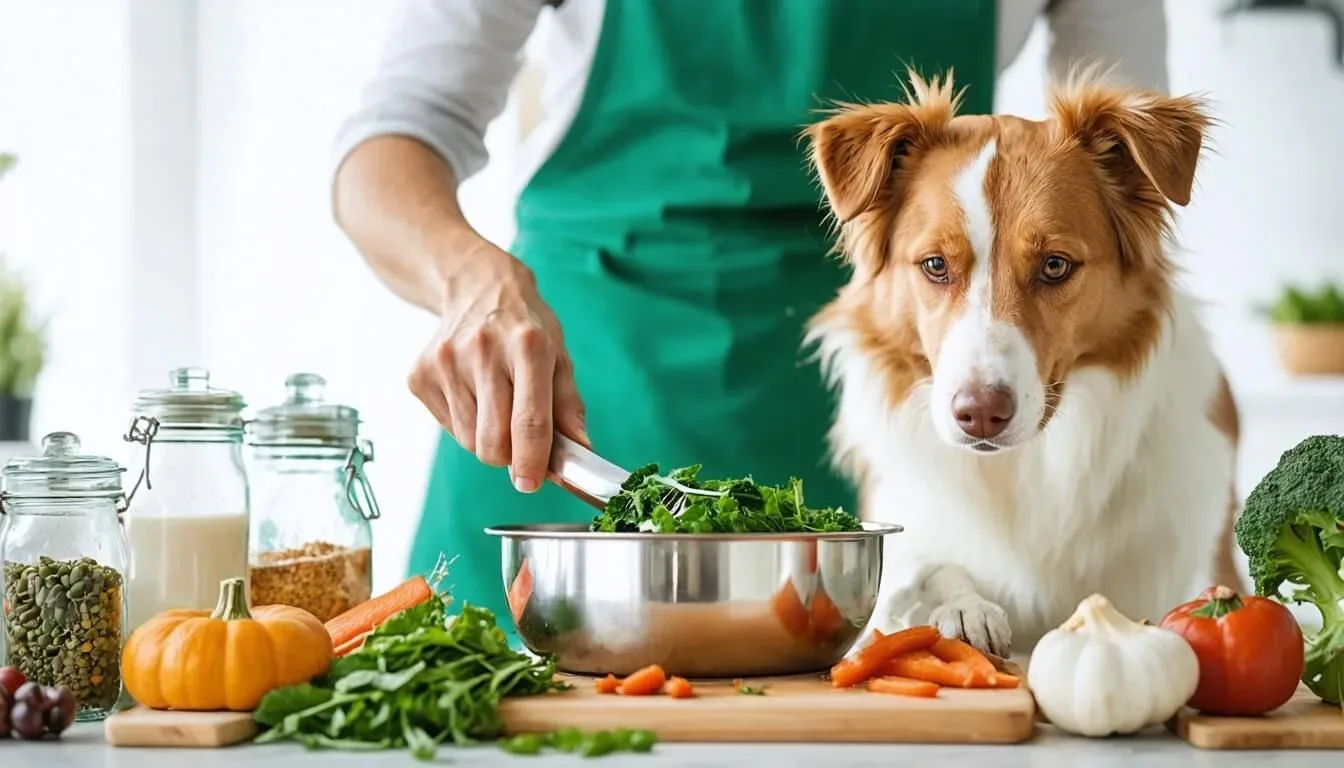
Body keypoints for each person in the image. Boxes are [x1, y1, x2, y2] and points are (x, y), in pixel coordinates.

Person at [331, 0, 1169, 634]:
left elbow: (1129, 187)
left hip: (876, 427)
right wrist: (471, 278)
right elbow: (389, 144)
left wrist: (1163, 428)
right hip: (574, 391)